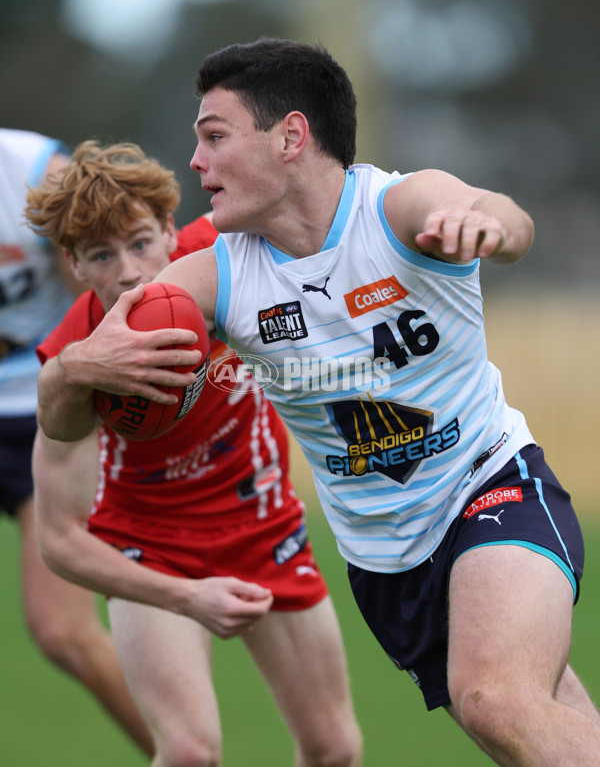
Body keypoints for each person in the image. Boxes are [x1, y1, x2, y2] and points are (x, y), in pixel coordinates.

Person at [33, 39, 600, 766]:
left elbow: (496, 213)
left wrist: (490, 224)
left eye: (213, 137)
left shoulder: (398, 208)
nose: (196, 163)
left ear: (291, 137)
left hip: (489, 482)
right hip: (385, 558)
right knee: (531, 718)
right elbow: (66, 419)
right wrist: (77, 367)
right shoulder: (205, 278)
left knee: (497, 696)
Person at [27, 140, 363, 767]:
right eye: (102, 255)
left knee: (335, 748)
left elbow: (324, 205)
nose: (129, 271)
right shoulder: (77, 351)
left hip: (265, 527)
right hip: (151, 547)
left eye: (139, 243)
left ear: (169, 228)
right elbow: (59, 541)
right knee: (187, 752)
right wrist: (187, 596)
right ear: (74, 264)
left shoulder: (222, 255)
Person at [0, 128, 153, 755]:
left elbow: (101, 307)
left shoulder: (34, 170)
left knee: (62, 632)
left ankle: (181, 753)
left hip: (37, 408)